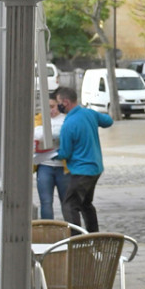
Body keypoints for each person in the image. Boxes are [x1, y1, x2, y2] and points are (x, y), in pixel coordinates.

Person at [54, 86, 113, 233]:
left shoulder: (68, 124)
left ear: (66, 102)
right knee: (86, 204)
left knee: (69, 205)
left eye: (58, 102)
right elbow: (108, 121)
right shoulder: (89, 113)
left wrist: (53, 153)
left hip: (81, 170)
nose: (58, 105)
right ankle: (93, 234)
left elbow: (65, 153)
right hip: (96, 168)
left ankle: (76, 238)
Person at [34, 94, 68, 219]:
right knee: (46, 202)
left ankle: (72, 230)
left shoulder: (66, 118)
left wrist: (48, 134)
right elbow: (37, 135)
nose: (50, 110)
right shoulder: (39, 119)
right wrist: (56, 135)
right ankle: (47, 231)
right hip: (44, 165)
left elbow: (66, 133)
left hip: (63, 167)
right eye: (47, 107)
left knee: (66, 202)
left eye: (52, 106)